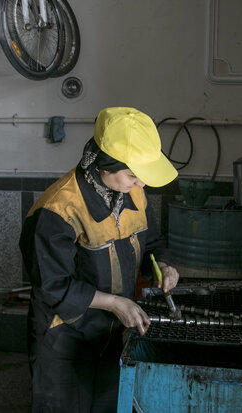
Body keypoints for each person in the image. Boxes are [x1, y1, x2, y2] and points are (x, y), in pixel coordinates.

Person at [19, 107, 180, 412]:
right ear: (105, 166)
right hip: (65, 338)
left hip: (111, 333)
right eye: (134, 175)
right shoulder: (57, 210)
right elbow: (54, 287)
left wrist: (165, 266)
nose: (141, 184)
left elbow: (153, 243)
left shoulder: (134, 193)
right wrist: (115, 303)